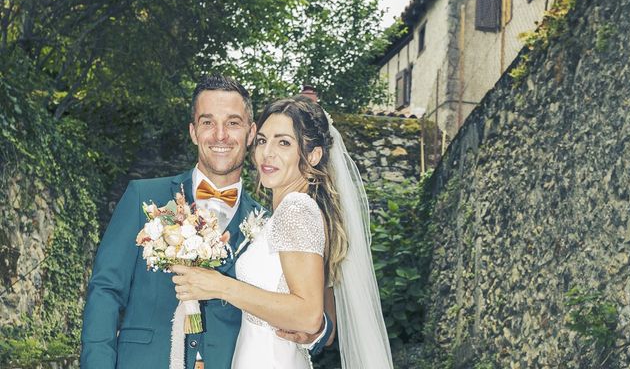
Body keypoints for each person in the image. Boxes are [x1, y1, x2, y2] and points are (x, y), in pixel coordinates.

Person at [80, 75, 328, 369]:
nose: (220, 135)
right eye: (208, 122)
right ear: (193, 131)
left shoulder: (269, 221)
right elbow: (105, 292)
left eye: (233, 123)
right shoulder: (143, 197)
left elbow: (307, 302)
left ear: (250, 134)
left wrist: (317, 329)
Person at [172, 96, 394, 368]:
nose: (268, 153)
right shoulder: (291, 213)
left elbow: (309, 315)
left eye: (284, 142)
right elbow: (325, 321)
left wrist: (220, 286)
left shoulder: (296, 209)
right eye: (263, 140)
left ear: (312, 155)